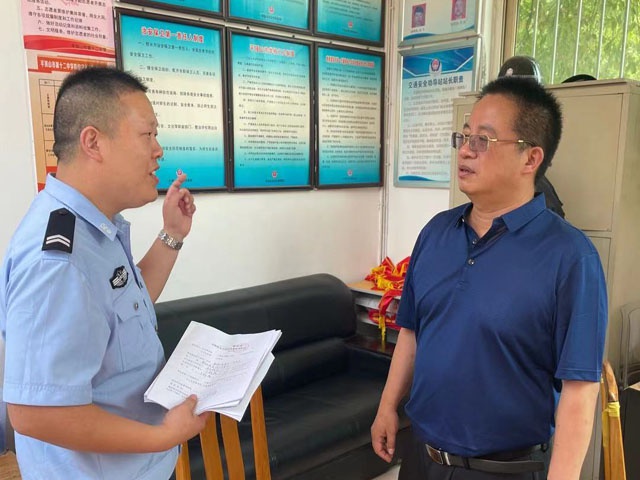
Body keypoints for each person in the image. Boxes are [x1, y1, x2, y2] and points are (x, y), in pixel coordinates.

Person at [371, 76, 607, 480]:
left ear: (530, 159)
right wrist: (387, 406)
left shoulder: (570, 257)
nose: (465, 150)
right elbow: (411, 331)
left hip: (503, 469)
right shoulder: (436, 233)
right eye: (464, 136)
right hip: (422, 458)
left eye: (483, 139)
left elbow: (580, 389)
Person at [0, 66, 208, 479]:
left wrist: (172, 234)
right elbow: (35, 413)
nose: (159, 150)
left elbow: (126, 305)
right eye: (147, 134)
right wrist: (163, 436)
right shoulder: (57, 261)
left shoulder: (94, 230)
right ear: (93, 142)